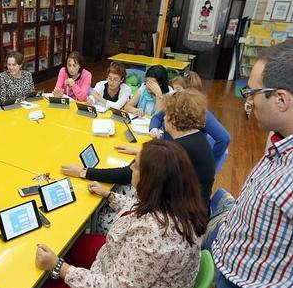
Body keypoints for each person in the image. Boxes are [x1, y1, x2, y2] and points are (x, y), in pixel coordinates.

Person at [36, 139, 208, 288]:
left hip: (113, 279)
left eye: (136, 166)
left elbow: (114, 287)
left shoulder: (154, 235)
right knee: (72, 246)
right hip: (117, 263)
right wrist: (109, 195)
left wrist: (58, 266)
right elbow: (137, 207)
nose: (131, 167)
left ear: (152, 181)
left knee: (44, 280)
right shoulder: (176, 201)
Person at [62, 89, 215, 232]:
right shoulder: (196, 140)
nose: (163, 117)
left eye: (165, 113)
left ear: (173, 117)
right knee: (122, 190)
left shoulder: (180, 149)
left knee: (101, 217)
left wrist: (85, 172)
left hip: (178, 224)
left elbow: (128, 173)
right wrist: (141, 152)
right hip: (188, 212)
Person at [213, 39, 293, 288]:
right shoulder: (279, 143)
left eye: (252, 92)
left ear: (281, 99)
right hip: (230, 266)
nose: (248, 102)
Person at [149, 71, 230, 166]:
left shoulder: (201, 113)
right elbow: (157, 117)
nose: (173, 93)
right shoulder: (175, 105)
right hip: (166, 154)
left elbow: (224, 138)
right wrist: (153, 128)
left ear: (190, 92)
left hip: (179, 163)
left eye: (177, 90)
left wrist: (210, 162)